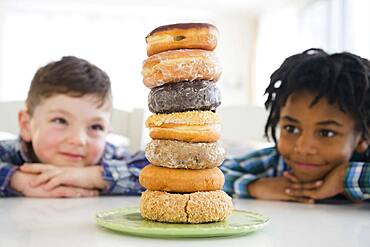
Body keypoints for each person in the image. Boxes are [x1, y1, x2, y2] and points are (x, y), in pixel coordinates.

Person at [222, 48, 370, 203]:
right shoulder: (277, 162)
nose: (303, 148)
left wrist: (345, 177)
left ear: (363, 138)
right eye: (291, 129)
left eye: (326, 133)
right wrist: (255, 186)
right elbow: (215, 173)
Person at [0, 56, 148, 197]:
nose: (78, 140)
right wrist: (18, 181)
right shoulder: (10, 152)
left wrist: (94, 176)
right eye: (60, 121)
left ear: (107, 131)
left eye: (96, 127)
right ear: (26, 126)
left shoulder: (108, 156)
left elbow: (155, 169)